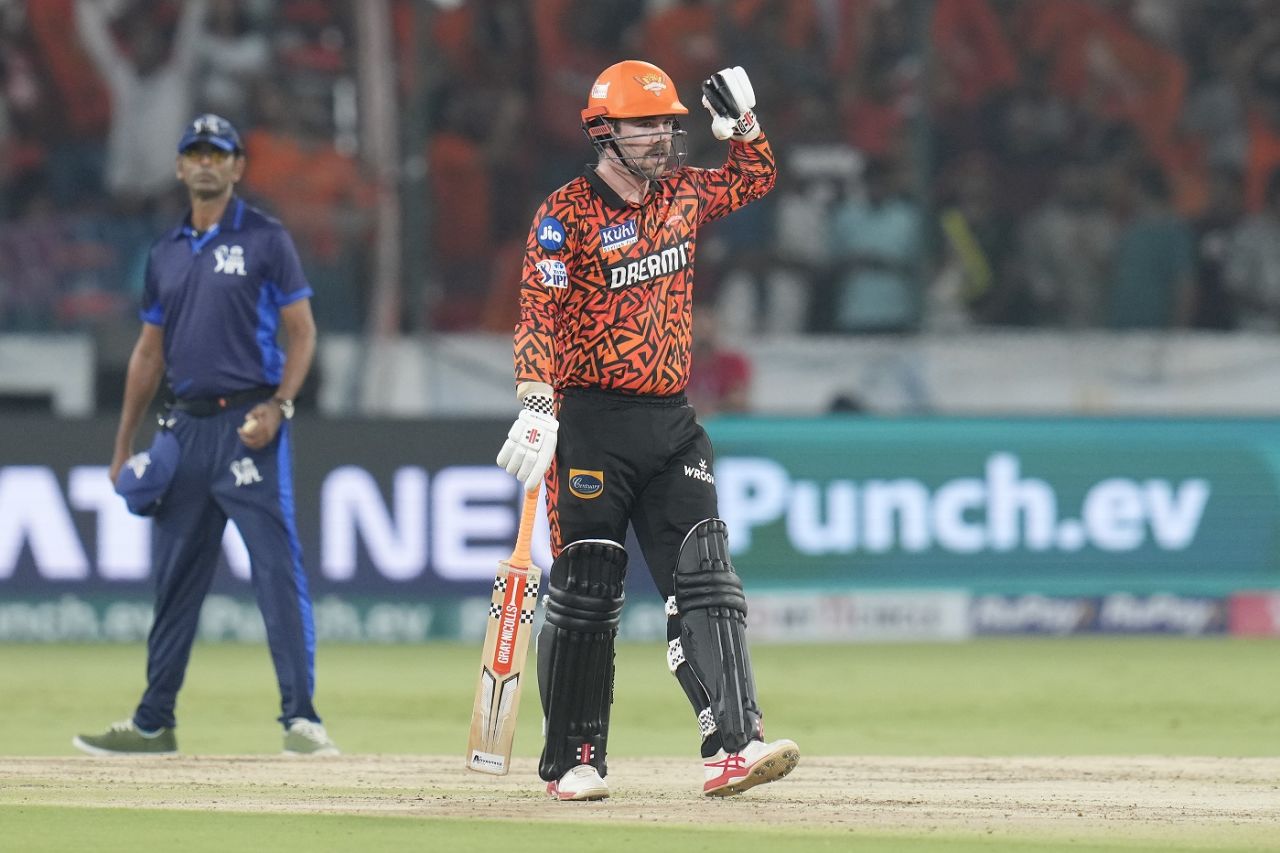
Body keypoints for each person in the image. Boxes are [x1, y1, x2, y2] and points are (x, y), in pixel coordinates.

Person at [497, 60, 799, 801]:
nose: (663, 136)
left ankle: (733, 744)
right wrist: (537, 405)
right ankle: (574, 759)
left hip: (671, 423)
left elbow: (755, 179)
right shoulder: (566, 214)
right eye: (645, 124)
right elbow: (540, 315)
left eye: (669, 122)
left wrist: (748, 128)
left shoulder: (684, 193)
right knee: (588, 591)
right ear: (605, 130)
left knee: (706, 578)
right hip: (591, 423)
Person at [73, 114, 336, 757]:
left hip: (249, 426)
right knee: (175, 584)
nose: (206, 163)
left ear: (238, 167)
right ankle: (154, 722)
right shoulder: (164, 252)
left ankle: (302, 720)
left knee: (276, 573)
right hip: (185, 429)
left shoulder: (267, 238)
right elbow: (146, 355)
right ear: (180, 167)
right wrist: (120, 446)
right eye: (195, 152)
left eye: (218, 153)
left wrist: (279, 405)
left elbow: (302, 332)